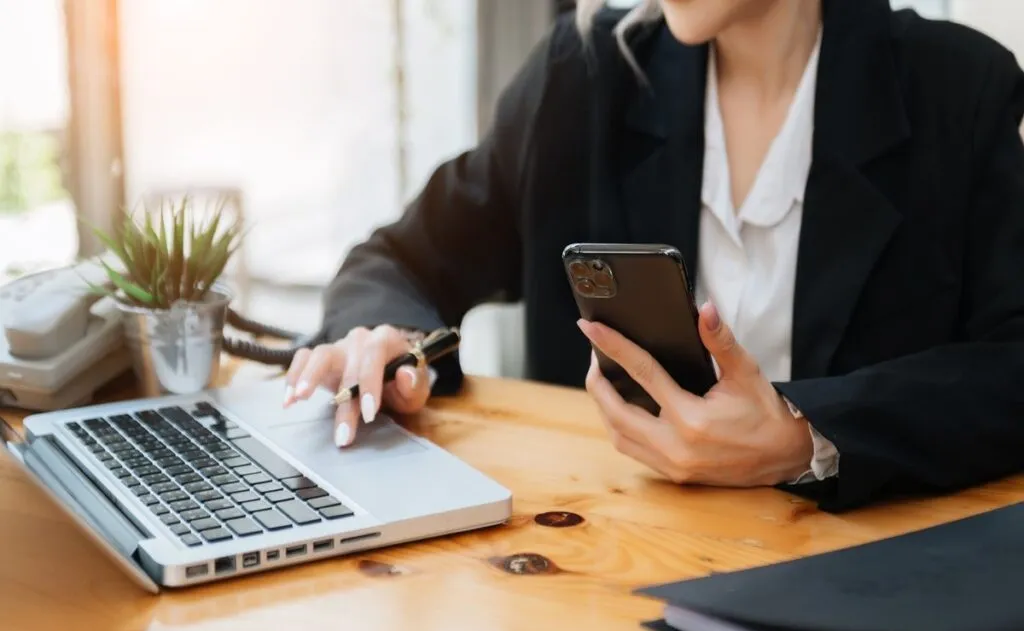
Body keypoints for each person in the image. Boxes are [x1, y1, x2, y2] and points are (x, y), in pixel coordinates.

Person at [283, 0, 1024, 513]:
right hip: (606, 576)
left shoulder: (958, 91)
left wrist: (806, 437)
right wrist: (391, 342)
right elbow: (402, 262)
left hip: (864, 599)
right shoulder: (584, 77)